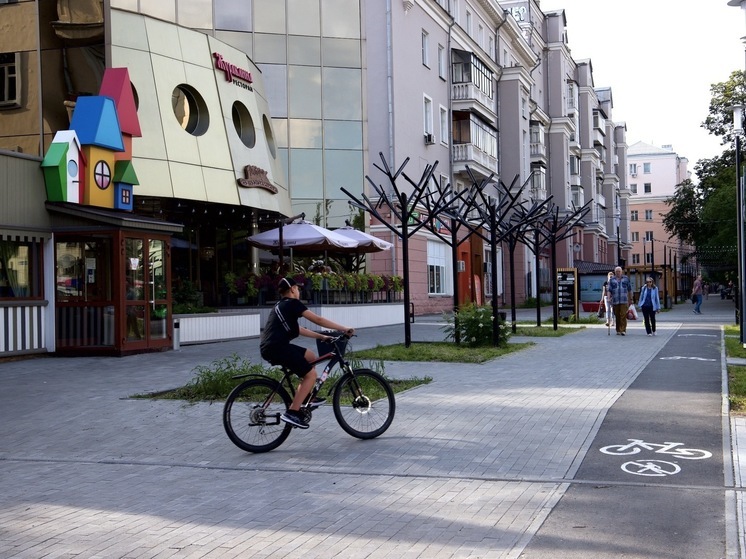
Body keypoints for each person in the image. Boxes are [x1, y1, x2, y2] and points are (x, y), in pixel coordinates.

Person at [260, 276, 354, 429]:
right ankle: (293, 412)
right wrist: (343, 328)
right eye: (298, 288)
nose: (299, 291)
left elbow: (299, 329)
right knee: (311, 375)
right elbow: (318, 319)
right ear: (292, 289)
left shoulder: (281, 305)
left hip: (272, 347)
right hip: (277, 348)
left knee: (310, 356)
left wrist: (322, 336)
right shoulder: (293, 303)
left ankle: (306, 396)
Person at [608, 266, 632, 336]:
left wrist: (631, 299)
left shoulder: (626, 279)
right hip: (615, 301)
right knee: (617, 315)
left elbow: (630, 289)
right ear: (615, 272)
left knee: (623, 315)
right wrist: (609, 298)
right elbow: (609, 290)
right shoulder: (612, 280)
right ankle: (618, 329)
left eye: (619, 271)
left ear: (621, 272)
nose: (618, 273)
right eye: (616, 271)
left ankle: (623, 330)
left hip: (624, 300)